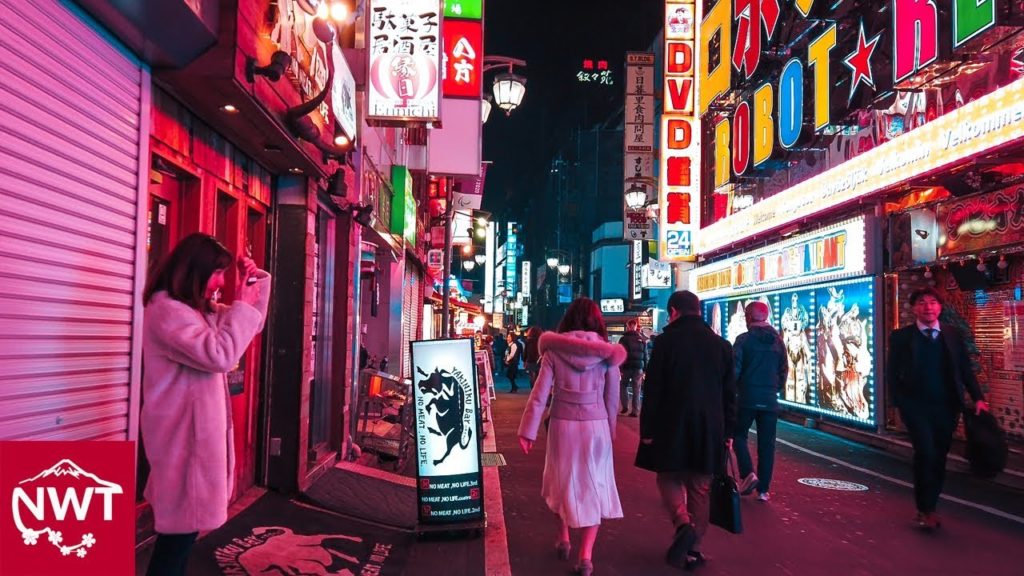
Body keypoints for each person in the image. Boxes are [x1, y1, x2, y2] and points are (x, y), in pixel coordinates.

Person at [140, 233, 271, 576]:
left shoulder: (194, 311)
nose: (221, 282)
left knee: (180, 540)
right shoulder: (168, 312)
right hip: (182, 443)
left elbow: (249, 325)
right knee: (175, 543)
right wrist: (241, 301)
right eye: (216, 272)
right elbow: (221, 353)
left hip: (189, 442)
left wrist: (253, 283)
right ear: (194, 270)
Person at [518, 298, 626, 576]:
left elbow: (540, 394)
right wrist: (610, 429)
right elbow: (612, 398)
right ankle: (586, 556)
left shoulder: (554, 351)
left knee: (561, 479)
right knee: (595, 484)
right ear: (596, 321)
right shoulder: (607, 354)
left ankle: (563, 535)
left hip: (562, 423)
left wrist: (528, 430)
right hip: (596, 425)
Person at [638, 290, 736, 571]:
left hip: (672, 422)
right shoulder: (721, 345)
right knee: (700, 487)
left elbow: (653, 389)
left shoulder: (666, 342)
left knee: (667, 476)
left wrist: (648, 429)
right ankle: (693, 550)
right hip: (711, 426)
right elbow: (730, 394)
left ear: (673, 312)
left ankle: (682, 522)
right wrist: (729, 431)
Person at [888, 287, 989, 530]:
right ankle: (924, 509)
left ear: (940, 307)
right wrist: (899, 403)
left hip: (946, 406)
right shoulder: (902, 337)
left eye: (933, 302)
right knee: (925, 453)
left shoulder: (951, 335)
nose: (928, 307)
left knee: (939, 457)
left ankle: (930, 506)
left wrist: (978, 397)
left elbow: (964, 368)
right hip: (916, 407)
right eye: (922, 302)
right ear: (914, 308)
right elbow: (891, 373)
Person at [732, 301, 788, 502]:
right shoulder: (778, 341)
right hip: (770, 400)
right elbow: (783, 372)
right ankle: (764, 490)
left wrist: (734, 391)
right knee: (767, 444)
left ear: (748, 317)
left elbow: (734, 371)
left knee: (738, 435)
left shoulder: (743, 340)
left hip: (746, 398)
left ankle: (748, 474)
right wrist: (773, 389)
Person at [618, 319, 647, 417]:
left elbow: (620, 354)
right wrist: (644, 369)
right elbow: (645, 355)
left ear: (628, 326)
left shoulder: (623, 339)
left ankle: (625, 406)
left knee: (623, 386)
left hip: (626, 367)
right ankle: (635, 411)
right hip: (638, 367)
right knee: (637, 389)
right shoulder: (642, 339)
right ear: (635, 326)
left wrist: (620, 368)